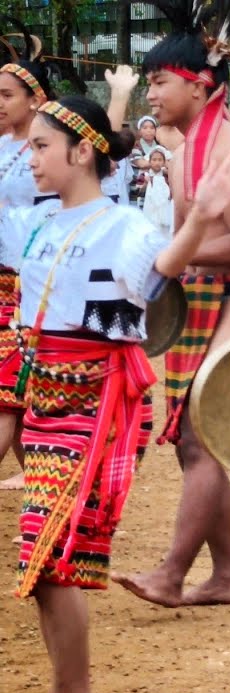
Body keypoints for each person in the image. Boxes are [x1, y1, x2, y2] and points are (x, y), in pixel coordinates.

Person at [9, 93, 230, 693]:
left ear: (82, 151)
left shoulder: (128, 227)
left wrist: (196, 221)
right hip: (44, 402)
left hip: (100, 405)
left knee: (48, 551)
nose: (29, 158)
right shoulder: (34, 224)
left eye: (40, 146)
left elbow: (162, 269)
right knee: (51, 560)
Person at [109, 0, 230, 608]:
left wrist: (176, 257)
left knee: (202, 437)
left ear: (199, 84)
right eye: (151, 82)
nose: (150, 94)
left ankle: (172, 573)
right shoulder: (189, 149)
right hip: (205, 291)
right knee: (192, 440)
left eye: (159, 82)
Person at [0, 38, 60, 493]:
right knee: (16, 404)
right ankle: (51, 500)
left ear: (36, 99)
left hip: (29, 285)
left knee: (8, 400)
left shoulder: (51, 149)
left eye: (6, 96)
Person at [142, 147, 174, 234]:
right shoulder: (145, 175)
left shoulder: (166, 176)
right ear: (149, 161)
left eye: (160, 160)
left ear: (164, 162)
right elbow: (139, 191)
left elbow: (171, 191)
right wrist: (146, 183)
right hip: (150, 207)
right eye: (154, 160)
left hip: (165, 207)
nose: (157, 163)